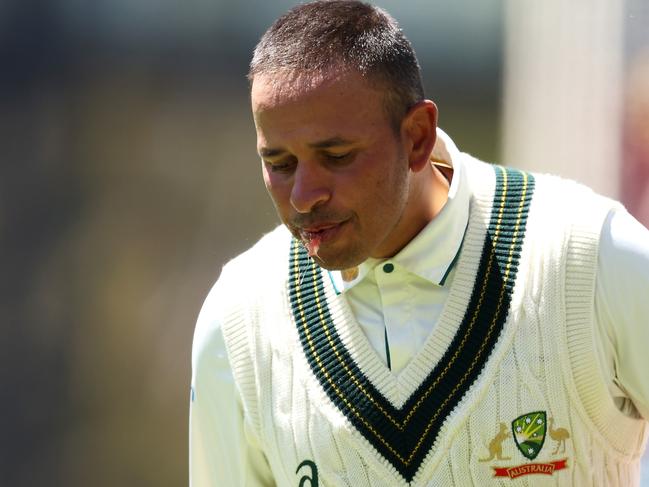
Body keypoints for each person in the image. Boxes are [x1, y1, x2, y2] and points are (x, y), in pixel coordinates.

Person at [189, 1, 649, 485]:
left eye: (337, 155)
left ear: (417, 136)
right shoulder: (236, 322)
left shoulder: (590, 257)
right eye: (280, 164)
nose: (304, 197)